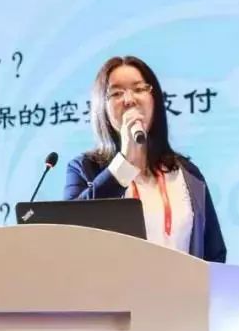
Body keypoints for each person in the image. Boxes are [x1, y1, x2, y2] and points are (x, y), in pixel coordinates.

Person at [64, 55, 227, 263]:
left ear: (154, 99)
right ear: (101, 107)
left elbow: (214, 253)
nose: (129, 100)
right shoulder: (84, 168)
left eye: (139, 89)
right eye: (116, 93)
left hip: (181, 285)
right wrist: (124, 164)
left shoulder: (188, 173)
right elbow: (69, 235)